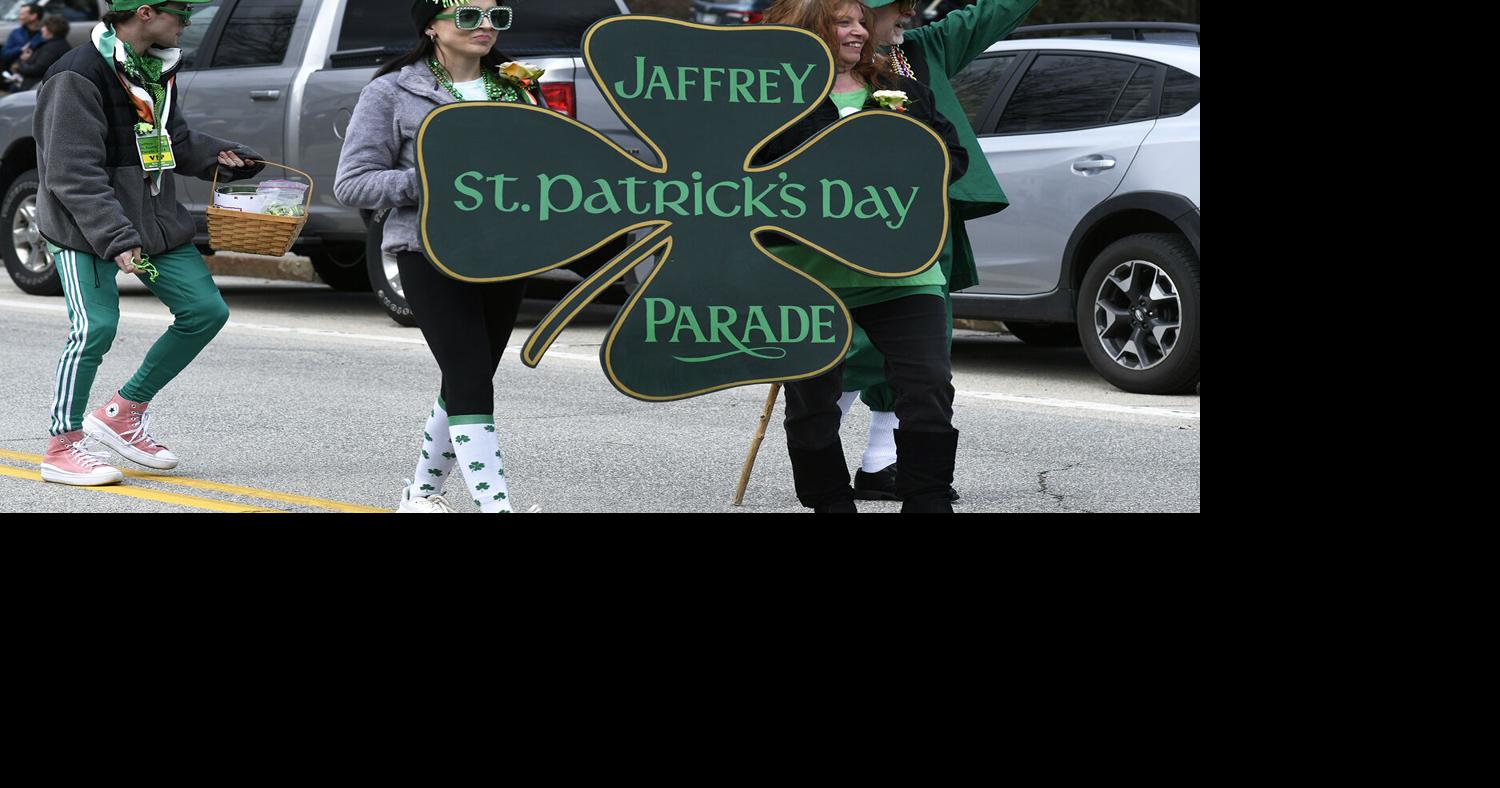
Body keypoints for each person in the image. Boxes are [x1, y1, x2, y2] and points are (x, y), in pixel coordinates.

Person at [34, 0, 263, 487]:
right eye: (182, 13)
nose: (188, 23)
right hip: (85, 229)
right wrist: (115, 236)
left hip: (153, 222)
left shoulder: (156, 68)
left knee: (205, 311)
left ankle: (122, 413)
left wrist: (218, 157)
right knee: (94, 329)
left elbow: (168, 138)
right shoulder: (76, 75)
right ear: (143, 13)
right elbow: (71, 174)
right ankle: (62, 445)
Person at [758, 0, 969, 513]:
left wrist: (910, 168)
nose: (859, 31)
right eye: (844, 22)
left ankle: (928, 500)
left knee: (929, 390)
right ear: (811, 29)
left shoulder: (896, 91)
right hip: (809, 276)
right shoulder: (771, 100)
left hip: (904, 274)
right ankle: (829, 501)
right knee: (811, 405)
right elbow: (752, 175)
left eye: (860, 21)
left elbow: (952, 157)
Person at [335, 0, 546, 514]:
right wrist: (433, 183)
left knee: (465, 377)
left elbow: (544, 164)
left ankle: (421, 494)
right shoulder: (392, 90)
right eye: (469, 16)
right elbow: (352, 183)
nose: (486, 27)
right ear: (431, 26)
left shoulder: (518, 87)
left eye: (497, 16)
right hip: (428, 251)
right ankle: (496, 505)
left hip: (505, 252)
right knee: (471, 376)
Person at [833, 0, 1036, 502]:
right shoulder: (808, 67)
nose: (907, 16)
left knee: (921, 356)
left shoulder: (924, 50)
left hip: (923, 231)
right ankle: (818, 459)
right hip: (838, 235)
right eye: (894, 9)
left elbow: (997, 10)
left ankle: (882, 465)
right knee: (846, 346)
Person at [10, 14, 71, 91]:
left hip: (36, 87)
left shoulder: (51, 47)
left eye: (44, 27)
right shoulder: (59, 44)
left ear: (50, 29)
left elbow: (38, 69)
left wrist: (19, 66)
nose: (42, 29)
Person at [2, 3, 44, 70]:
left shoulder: (46, 34)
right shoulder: (16, 33)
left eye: (22, 14)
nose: (19, 17)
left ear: (33, 16)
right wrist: (20, 49)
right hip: (17, 72)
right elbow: (4, 54)